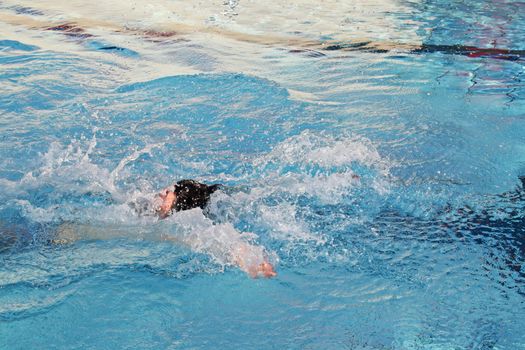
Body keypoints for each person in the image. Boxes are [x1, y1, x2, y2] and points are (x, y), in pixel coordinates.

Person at [155, 179, 277, 278]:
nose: (162, 193)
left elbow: (229, 246)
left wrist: (167, 202)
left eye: (167, 193)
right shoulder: (206, 221)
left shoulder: (180, 228)